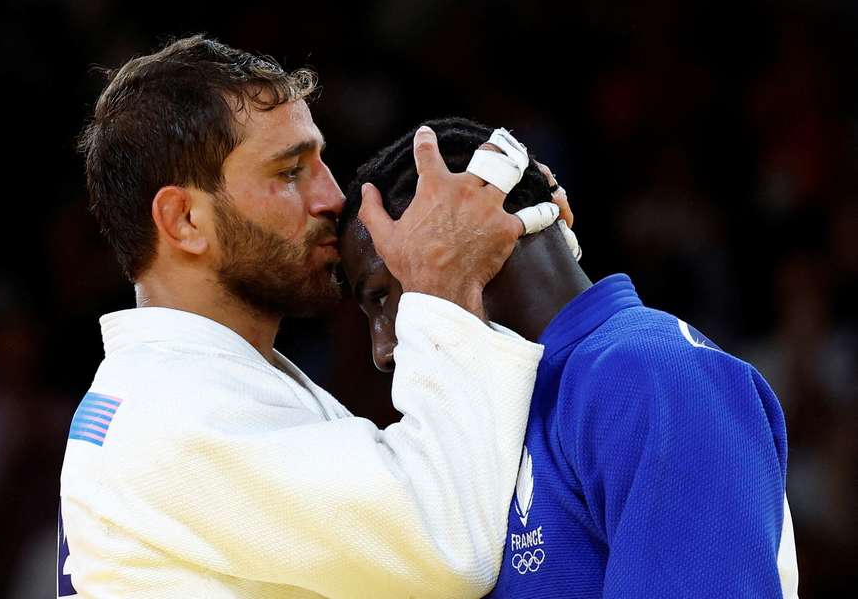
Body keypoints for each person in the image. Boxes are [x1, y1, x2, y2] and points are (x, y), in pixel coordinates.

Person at [60, 36, 550, 598]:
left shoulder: (193, 383)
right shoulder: (176, 410)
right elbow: (450, 545)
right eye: (289, 172)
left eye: (320, 161)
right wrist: (443, 288)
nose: (333, 197)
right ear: (184, 219)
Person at [339, 117, 800, 598]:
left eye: (379, 298)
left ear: (450, 235)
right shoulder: (494, 418)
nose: (383, 349)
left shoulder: (650, 372)